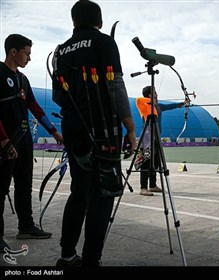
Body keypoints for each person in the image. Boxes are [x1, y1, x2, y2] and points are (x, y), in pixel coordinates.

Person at [51, 0, 137, 266]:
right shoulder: (103, 42)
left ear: (74, 21)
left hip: (73, 129)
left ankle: (66, 255)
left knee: (79, 191)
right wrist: (130, 128)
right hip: (102, 130)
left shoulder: (60, 50)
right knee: (103, 193)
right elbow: (116, 87)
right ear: (99, 21)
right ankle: (91, 260)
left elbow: (57, 96)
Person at [0, 34, 63, 253]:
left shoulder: (23, 79)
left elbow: (34, 107)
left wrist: (54, 132)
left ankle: (26, 226)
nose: (29, 58)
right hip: (5, 143)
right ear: (13, 52)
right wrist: (3, 140)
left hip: (24, 140)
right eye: (26, 53)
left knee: (24, 185)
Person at [136, 86, 185, 196]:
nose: (157, 94)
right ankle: (143, 187)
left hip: (156, 137)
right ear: (149, 95)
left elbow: (170, 106)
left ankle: (152, 185)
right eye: (154, 92)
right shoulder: (144, 105)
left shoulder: (158, 106)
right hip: (147, 138)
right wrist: (151, 101)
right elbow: (138, 100)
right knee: (145, 163)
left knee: (155, 162)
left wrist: (183, 103)